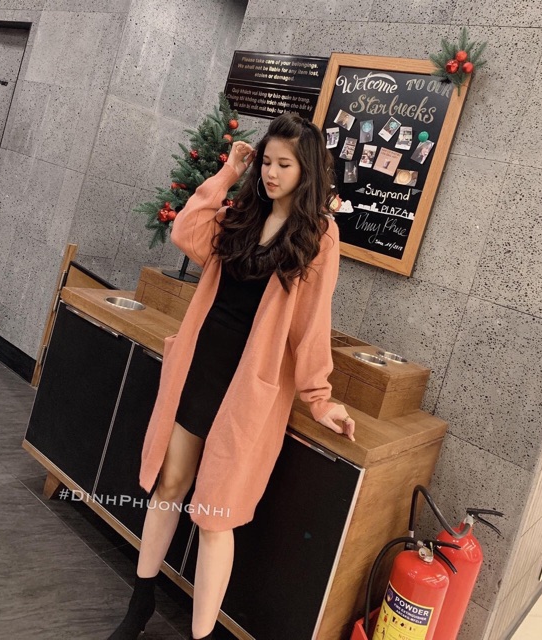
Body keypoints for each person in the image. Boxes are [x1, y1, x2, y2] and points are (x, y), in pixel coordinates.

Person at [107, 113, 356, 640]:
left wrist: (319, 397)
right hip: (200, 368)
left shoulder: (319, 237)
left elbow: (312, 325)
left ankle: (201, 635)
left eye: (284, 165)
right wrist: (228, 172)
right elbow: (185, 230)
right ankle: (141, 602)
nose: (271, 173)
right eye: (266, 161)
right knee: (170, 484)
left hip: (247, 390)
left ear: (306, 170)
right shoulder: (240, 215)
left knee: (214, 516)